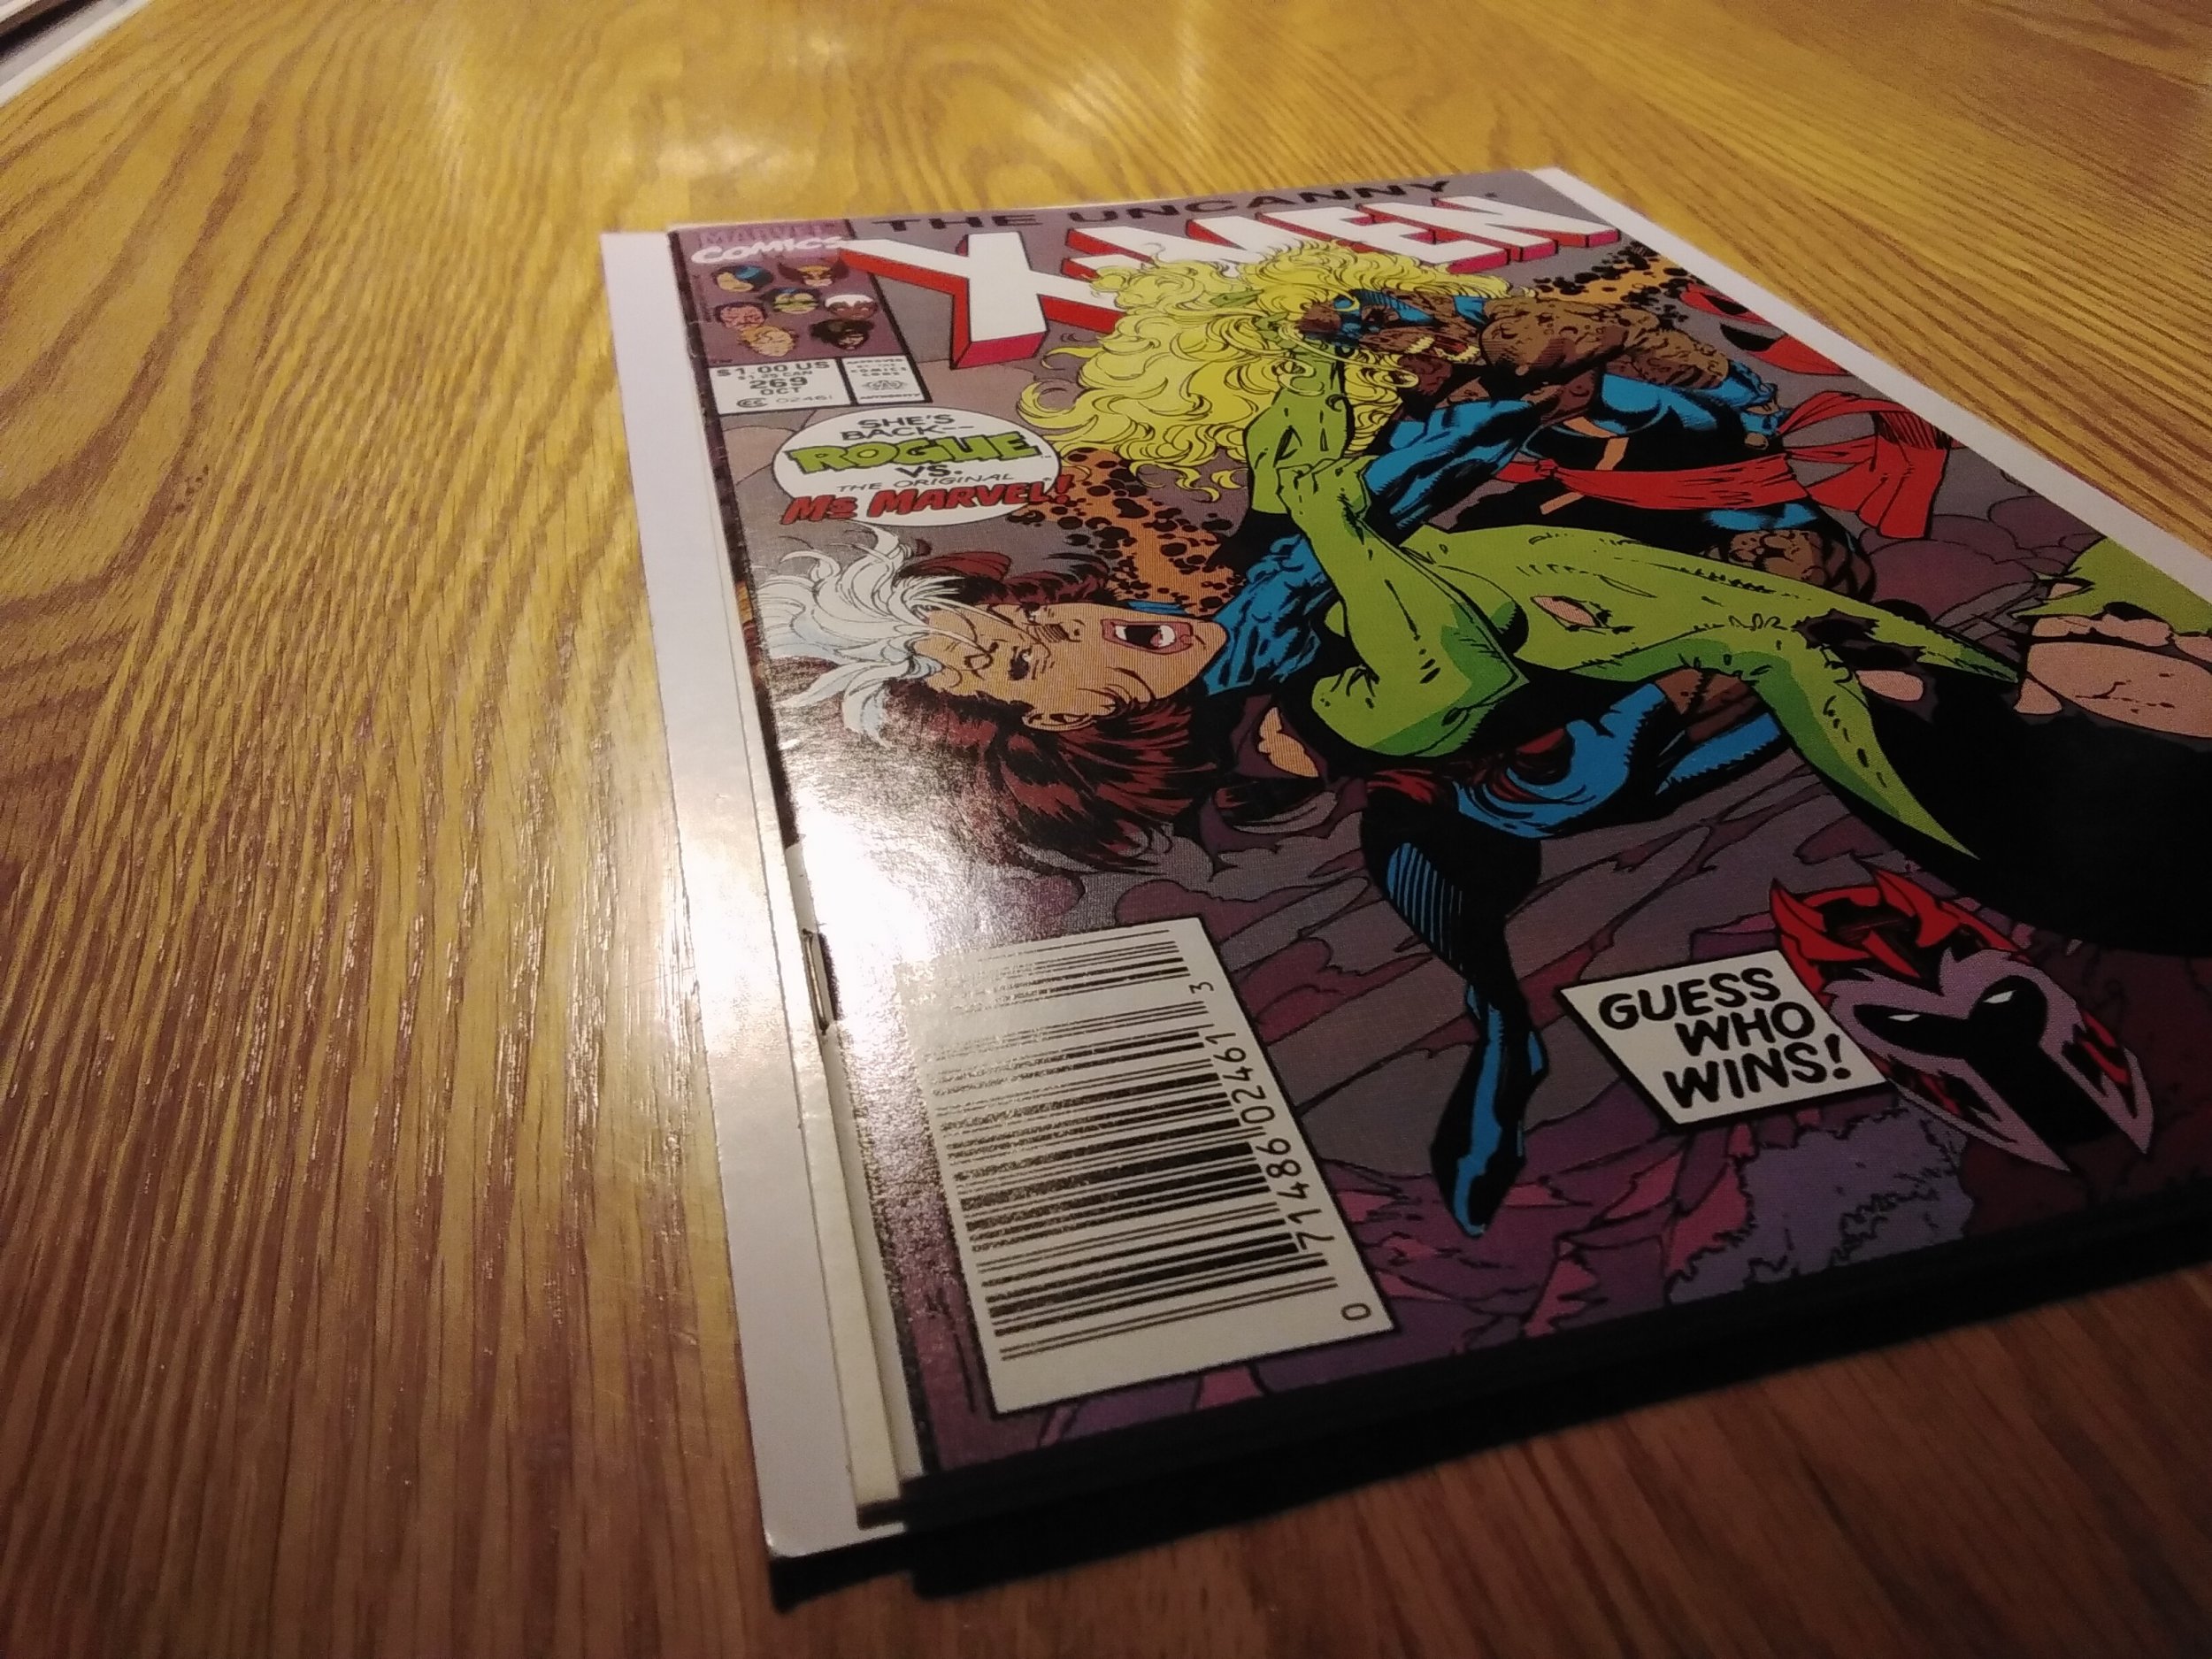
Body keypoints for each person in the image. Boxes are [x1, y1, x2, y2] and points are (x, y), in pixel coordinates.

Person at [760, 357, 2212, 1233]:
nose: (1081, 626)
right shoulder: (1293, 721)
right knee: (2071, 745)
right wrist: (1334, 501)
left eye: (1036, 616)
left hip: (1789, 605)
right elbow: (1438, 670)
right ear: (1073, 730)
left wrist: (1315, 358)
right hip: (1802, 684)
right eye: (1032, 662)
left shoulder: (1255, 592)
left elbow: (1327, 467)